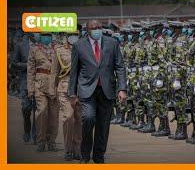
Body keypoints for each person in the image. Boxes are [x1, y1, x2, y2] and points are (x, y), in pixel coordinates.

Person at [68, 19, 127, 164]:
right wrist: (72, 93)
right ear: (87, 30)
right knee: (88, 118)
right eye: (94, 28)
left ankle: (99, 156)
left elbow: (120, 67)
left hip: (106, 90)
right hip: (86, 90)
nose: (97, 30)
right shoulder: (78, 45)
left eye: (99, 27)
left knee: (103, 124)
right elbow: (74, 72)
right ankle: (85, 154)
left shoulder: (112, 43)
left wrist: (122, 88)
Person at [27, 32, 59, 152]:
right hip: (40, 84)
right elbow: (30, 70)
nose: (46, 37)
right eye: (44, 35)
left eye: (48, 35)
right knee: (41, 112)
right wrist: (30, 89)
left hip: (54, 84)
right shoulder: (34, 49)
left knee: (54, 114)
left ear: (51, 36)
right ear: (40, 36)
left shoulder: (57, 48)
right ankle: (41, 141)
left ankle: (52, 141)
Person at [55, 31, 82, 161]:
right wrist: (51, 90)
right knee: (68, 118)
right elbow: (54, 71)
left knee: (79, 119)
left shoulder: (84, 48)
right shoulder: (59, 51)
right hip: (64, 88)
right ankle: (68, 149)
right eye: (72, 34)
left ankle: (77, 149)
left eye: (76, 34)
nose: (74, 37)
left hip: (80, 89)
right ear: (67, 36)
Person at [13, 33, 37, 144]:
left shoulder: (44, 44)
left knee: (39, 110)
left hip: (40, 82)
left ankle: (36, 134)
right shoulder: (20, 45)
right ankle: (26, 130)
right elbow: (15, 63)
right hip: (25, 81)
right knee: (26, 109)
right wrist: (29, 65)